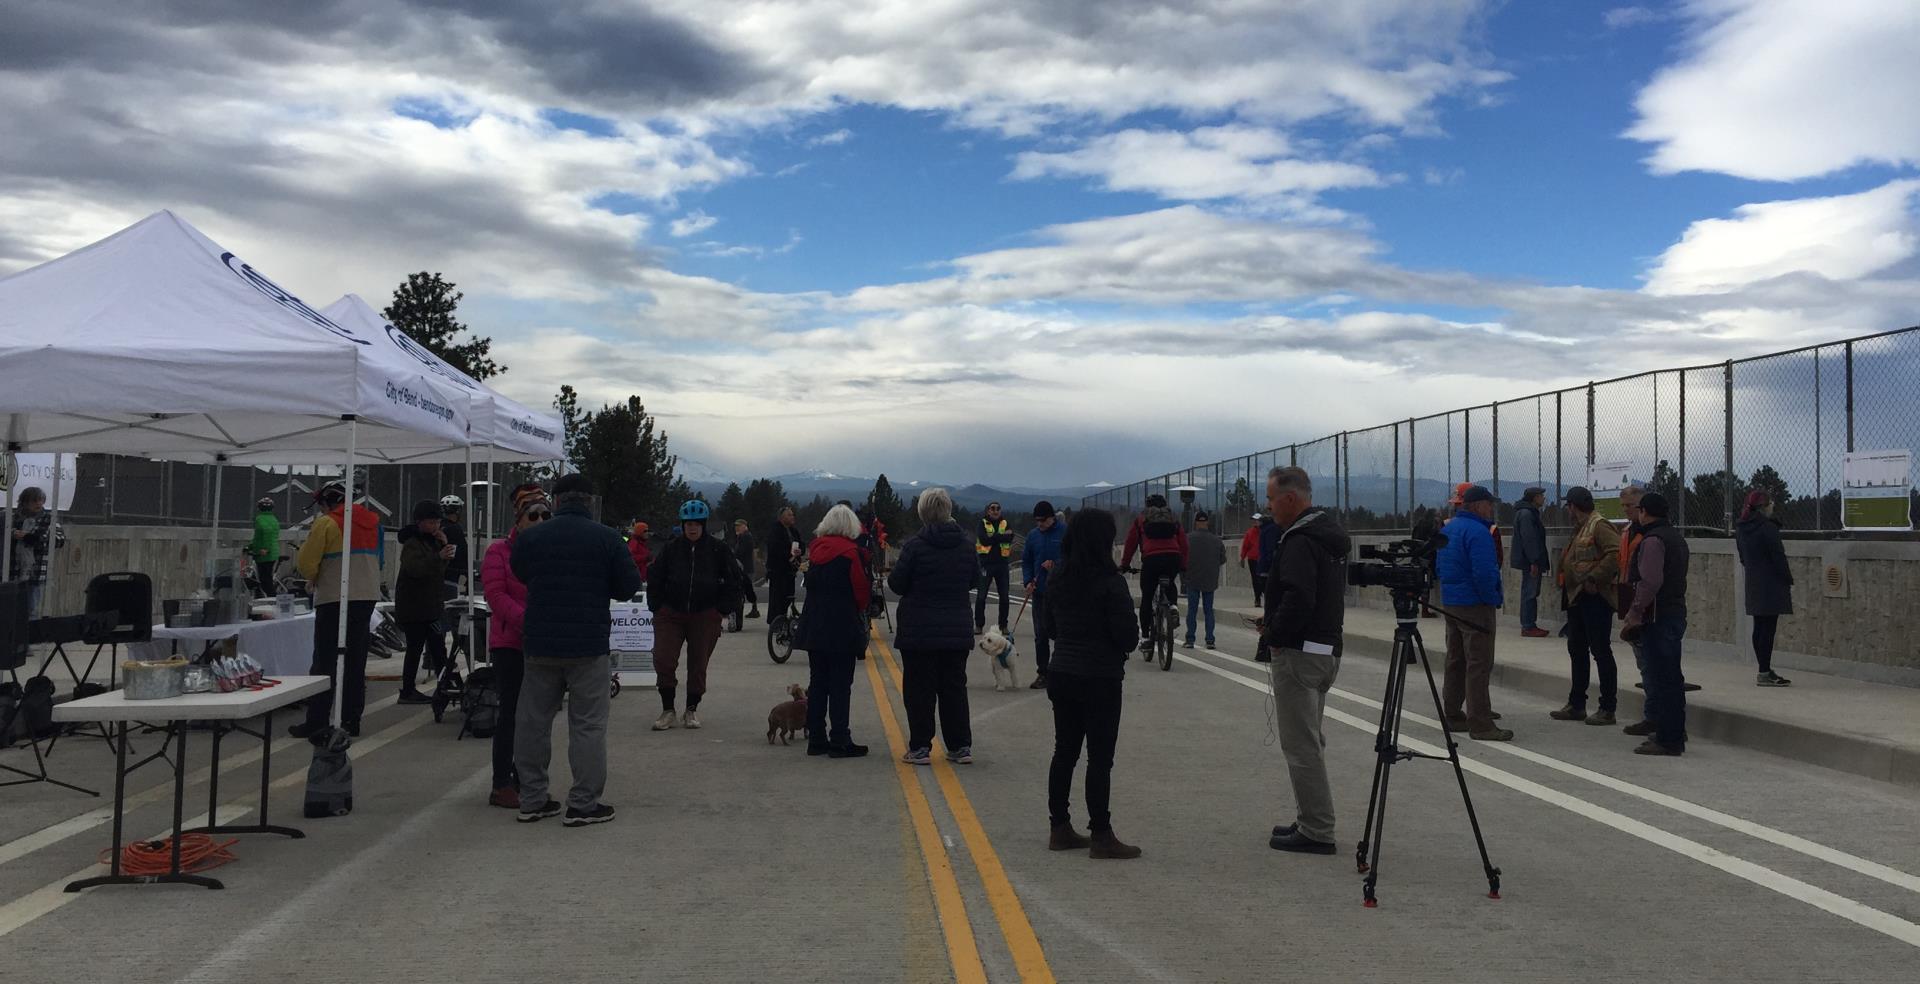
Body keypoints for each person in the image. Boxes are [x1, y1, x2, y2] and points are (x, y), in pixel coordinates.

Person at [509, 473, 641, 825]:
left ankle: (533, 798)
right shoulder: (608, 538)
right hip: (588, 644)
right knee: (587, 725)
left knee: (533, 722)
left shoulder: (533, 537)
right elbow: (629, 586)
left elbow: (519, 572)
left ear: (556, 500)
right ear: (589, 501)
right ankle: (583, 803)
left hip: (539, 642)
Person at [1258, 467, 1349, 855]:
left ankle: (1316, 829)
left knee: (1300, 744)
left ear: (1290, 499)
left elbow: (1298, 596)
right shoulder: (1328, 536)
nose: (1268, 506)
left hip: (1299, 652)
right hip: (1325, 650)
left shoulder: (1298, 540)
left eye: (1271, 498)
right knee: (1310, 739)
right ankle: (1310, 817)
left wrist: (1274, 635)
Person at [1042, 508, 1141, 859]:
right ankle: (1100, 833)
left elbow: (1050, 628)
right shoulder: (1109, 581)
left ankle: (1059, 827)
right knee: (1099, 759)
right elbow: (1128, 636)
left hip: (1063, 671)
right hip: (1100, 676)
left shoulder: (1058, 577)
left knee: (1064, 751)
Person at [889, 488, 977, 766]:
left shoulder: (915, 546)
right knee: (954, 688)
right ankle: (960, 745)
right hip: (956, 627)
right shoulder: (966, 545)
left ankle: (920, 747)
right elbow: (974, 580)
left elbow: (897, 584)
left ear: (923, 513)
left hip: (919, 628)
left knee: (919, 690)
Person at [290, 481, 383, 740]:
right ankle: (351, 719)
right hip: (366, 596)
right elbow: (381, 559)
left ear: (328, 502)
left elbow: (307, 563)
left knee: (325, 660)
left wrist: (313, 577)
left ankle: (317, 720)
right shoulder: (375, 523)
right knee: (355, 660)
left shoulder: (327, 524)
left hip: (334, 596)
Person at [480, 483, 547, 809]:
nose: (540, 520)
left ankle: (526, 777)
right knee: (511, 714)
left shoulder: (550, 550)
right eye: (533, 514)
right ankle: (501, 783)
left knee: (535, 716)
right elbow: (495, 596)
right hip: (510, 643)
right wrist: (529, 621)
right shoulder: (498, 552)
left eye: (545, 514)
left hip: (543, 644)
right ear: (519, 519)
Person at [647, 499, 740, 731]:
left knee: (698, 664)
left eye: (697, 523)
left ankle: (691, 709)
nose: (692, 527)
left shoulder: (719, 550)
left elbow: (734, 580)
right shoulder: (671, 548)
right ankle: (668, 709)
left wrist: (722, 609)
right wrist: (656, 606)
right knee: (663, 659)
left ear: (704, 524)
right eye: (688, 523)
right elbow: (655, 577)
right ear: (682, 523)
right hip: (671, 613)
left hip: (705, 614)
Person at [793, 504, 872, 758]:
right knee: (840, 684)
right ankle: (840, 739)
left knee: (818, 683)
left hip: (814, 623)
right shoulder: (852, 553)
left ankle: (816, 738)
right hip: (842, 625)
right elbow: (861, 591)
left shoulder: (815, 551)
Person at [1437, 485, 1512, 742]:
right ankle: (1480, 723)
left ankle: (1452, 713)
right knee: (1479, 663)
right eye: (1489, 504)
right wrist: (1493, 598)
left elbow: (1439, 567)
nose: (1491, 508)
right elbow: (1485, 572)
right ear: (1478, 505)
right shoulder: (1479, 532)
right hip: (1475, 604)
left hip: (1451, 602)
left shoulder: (1449, 528)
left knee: (1455, 659)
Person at [1623, 492, 1689, 756]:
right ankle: (1673, 730)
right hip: (1674, 612)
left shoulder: (1652, 541)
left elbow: (1650, 582)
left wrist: (1635, 612)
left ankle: (1668, 738)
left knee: (1663, 678)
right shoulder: (1676, 538)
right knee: (1672, 677)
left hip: (1657, 616)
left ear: (1645, 512)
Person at [1552, 487, 1620, 725]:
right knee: (1577, 650)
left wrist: (1594, 578)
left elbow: (1615, 552)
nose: (1567, 510)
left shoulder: (1599, 525)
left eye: (1568, 506)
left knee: (1600, 651)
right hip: (1577, 597)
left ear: (1573, 506)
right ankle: (1576, 704)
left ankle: (1607, 708)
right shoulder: (1580, 527)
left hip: (1595, 597)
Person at [395, 500, 455, 704]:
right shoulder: (412, 543)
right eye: (431, 522)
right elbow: (416, 570)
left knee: (438, 648)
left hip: (430, 605)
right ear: (419, 522)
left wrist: (444, 547)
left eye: (438, 522)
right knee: (415, 648)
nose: (435, 526)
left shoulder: (431, 541)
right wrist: (439, 556)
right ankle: (408, 690)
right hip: (415, 607)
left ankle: (444, 685)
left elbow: (438, 569)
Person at [1735, 491, 1794, 687]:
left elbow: (1743, 556)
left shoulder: (1742, 528)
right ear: (1764, 507)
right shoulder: (1768, 528)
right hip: (1771, 582)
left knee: (1759, 626)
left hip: (1754, 580)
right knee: (1768, 628)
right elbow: (1778, 557)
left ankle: (1763, 669)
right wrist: (1787, 578)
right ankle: (1764, 671)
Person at [1118, 494, 1189, 640]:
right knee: (1169, 584)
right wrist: (1183, 564)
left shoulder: (1141, 519)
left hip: (1151, 559)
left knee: (1148, 596)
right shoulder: (1173, 518)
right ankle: (1173, 607)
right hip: (1172, 557)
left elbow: (1131, 543)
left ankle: (1145, 635)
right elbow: (1184, 544)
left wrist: (1125, 564)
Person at [1022, 500, 1067, 690]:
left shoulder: (1065, 532)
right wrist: (1028, 581)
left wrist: (1056, 565)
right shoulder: (1033, 536)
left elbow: (1072, 557)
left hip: (1061, 591)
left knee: (1062, 633)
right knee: (1040, 635)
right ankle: (1043, 673)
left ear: (1052, 518)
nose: (1040, 524)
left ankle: (1062, 671)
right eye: (1037, 521)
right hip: (1039, 592)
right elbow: (1026, 561)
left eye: (1043, 520)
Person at [8, 487, 65, 620]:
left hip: (35, 570)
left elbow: (60, 540)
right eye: (34, 500)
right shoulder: (13, 517)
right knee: (10, 608)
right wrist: (13, 534)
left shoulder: (49, 519)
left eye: (41, 500)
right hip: (13, 569)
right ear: (25, 502)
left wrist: (35, 537)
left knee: (31, 608)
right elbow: (4, 533)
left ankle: (28, 638)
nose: (39, 504)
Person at [1183, 510, 1227, 649]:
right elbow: (1222, 559)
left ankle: (1190, 639)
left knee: (1192, 610)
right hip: (1210, 578)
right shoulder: (1216, 540)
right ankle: (1210, 639)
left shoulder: (1187, 538)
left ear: (1196, 522)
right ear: (1207, 522)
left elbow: (1182, 556)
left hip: (1192, 578)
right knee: (1209, 610)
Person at [1511, 487, 1551, 638]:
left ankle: (1528, 624)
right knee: (1530, 592)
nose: (1543, 499)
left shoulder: (1526, 512)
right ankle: (1528, 625)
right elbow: (1530, 539)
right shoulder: (1527, 514)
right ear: (1534, 498)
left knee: (1530, 591)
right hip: (1530, 561)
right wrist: (1534, 561)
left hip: (1529, 559)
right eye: (1541, 496)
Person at [975, 501, 1015, 634]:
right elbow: (984, 539)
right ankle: (979, 625)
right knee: (981, 596)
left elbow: (1010, 538)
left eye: (998, 508)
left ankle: (1003, 625)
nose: (995, 510)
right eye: (992, 508)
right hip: (986, 564)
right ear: (988, 511)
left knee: (1004, 597)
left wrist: (994, 537)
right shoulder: (982, 523)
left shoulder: (1005, 522)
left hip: (1002, 565)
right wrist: (1001, 537)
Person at [766, 507, 804, 626]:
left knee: (788, 596)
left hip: (790, 570)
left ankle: (783, 619)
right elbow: (774, 549)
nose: (792, 517)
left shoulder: (793, 531)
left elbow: (802, 544)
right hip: (778, 570)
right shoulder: (775, 530)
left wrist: (800, 551)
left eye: (792, 514)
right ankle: (775, 622)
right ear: (782, 517)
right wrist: (789, 553)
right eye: (789, 515)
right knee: (777, 597)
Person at [1254, 509, 1285, 657]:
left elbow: (1267, 550)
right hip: (1270, 570)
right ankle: (1267, 644)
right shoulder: (1274, 529)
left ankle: (1266, 645)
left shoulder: (1266, 531)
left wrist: (1265, 567)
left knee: (1270, 605)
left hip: (1265, 571)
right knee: (1272, 605)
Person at [248, 496, 281, 597]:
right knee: (268, 578)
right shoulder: (274, 519)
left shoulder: (259, 519)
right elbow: (272, 536)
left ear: (259, 508)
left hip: (264, 554)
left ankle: (273, 602)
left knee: (265, 581)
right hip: (273, 552)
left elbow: (259, 537)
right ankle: (271, 599)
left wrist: (252, 548)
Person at [439, 494, 469, 591]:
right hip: (450, 578)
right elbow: (462, 553)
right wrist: (468, 573)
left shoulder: (436, 527)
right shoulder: (455, 529)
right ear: (458, 511)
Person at [732, 518, 760, 619]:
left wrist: (733, 555)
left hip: (745, 568)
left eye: (739, 526)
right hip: (746, 567)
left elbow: (741, 552)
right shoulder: (744, 536)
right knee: (748, 589)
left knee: (744, 589)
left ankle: (747, 609)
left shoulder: (745, 536)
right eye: (736, 526)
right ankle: (754, 608)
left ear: (745, 526)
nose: (737, 528)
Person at [1239, 513, 1266, 609]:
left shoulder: (1265, 531)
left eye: (1257, 520)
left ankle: (1264, 595)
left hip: (1263, 558)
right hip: (1253, 559)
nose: (1255, 522)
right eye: (1254, 520)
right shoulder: (1250, 532)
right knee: (1255, 579)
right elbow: (1245, 546)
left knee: (1263, 578)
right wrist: (1242, 557)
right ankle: (1257, 598)